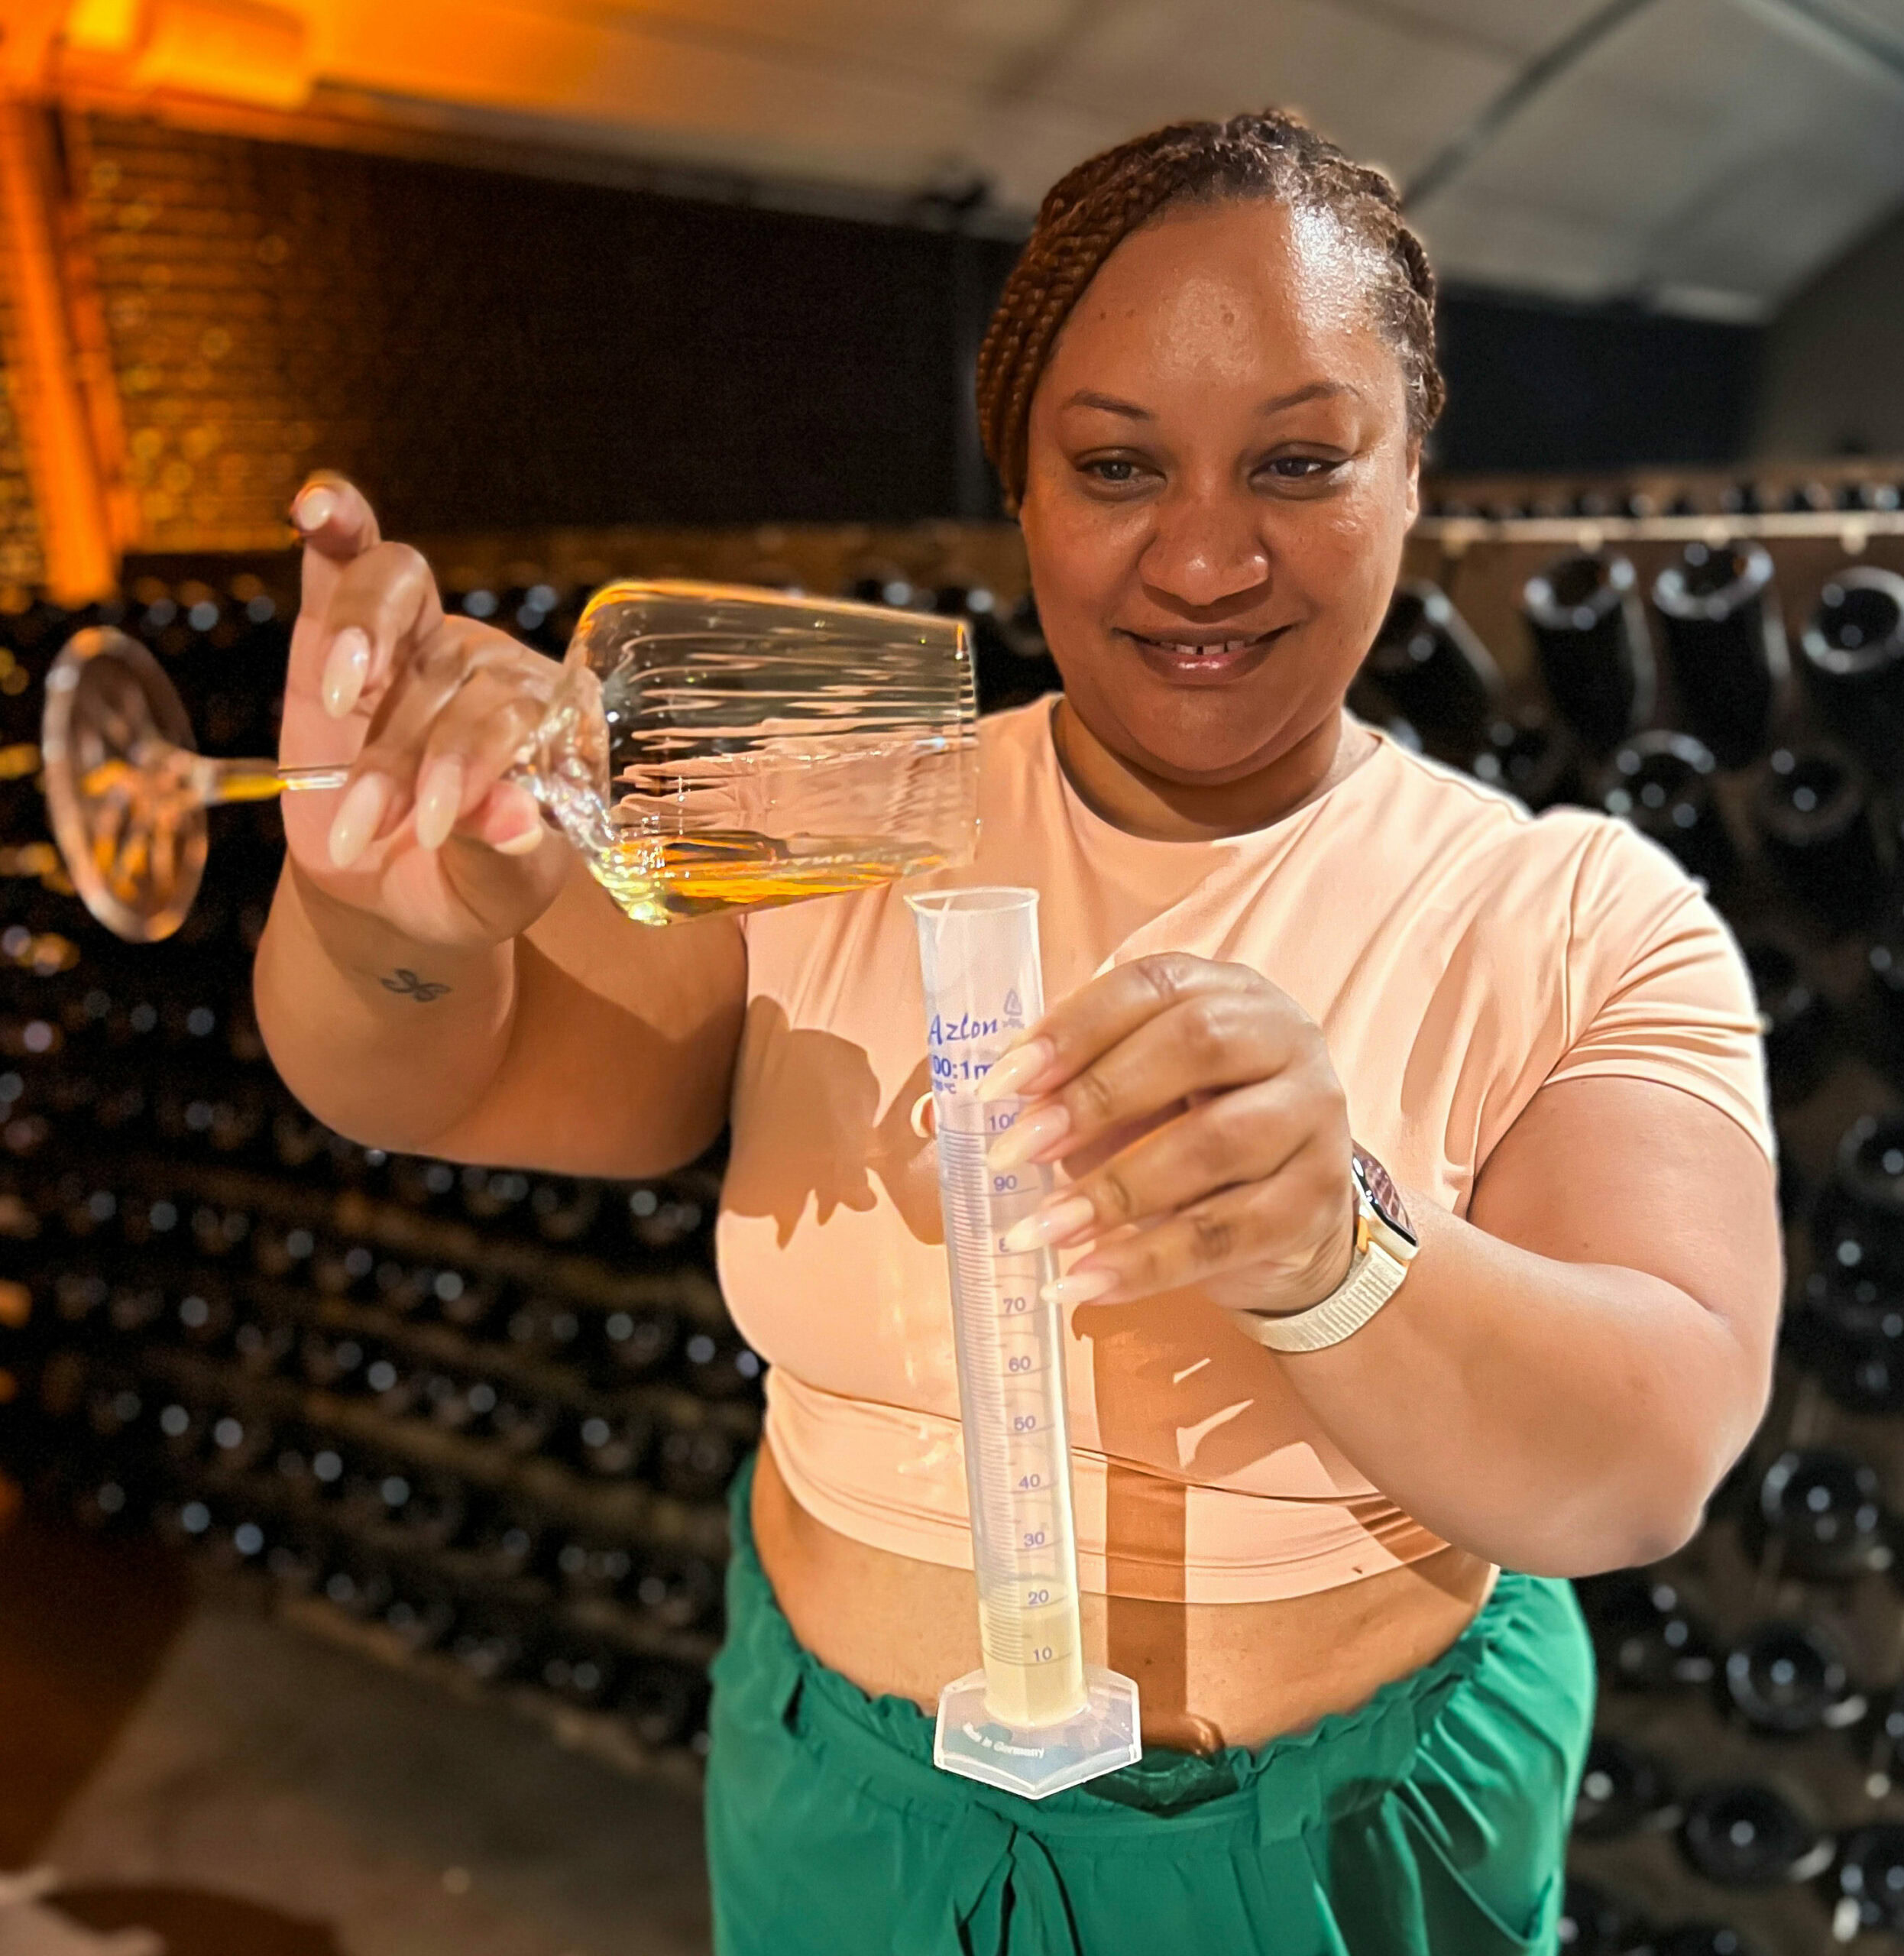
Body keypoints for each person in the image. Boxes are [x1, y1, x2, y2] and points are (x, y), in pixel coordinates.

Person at [255, 109, 1779, 1956]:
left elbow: (1645, 1453)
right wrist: (386, 920)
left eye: (1297, 461)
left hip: (1331, 1851)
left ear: (1407, 475)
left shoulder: (1572, 909)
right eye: (1116, 465)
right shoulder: (821, 805)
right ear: (1023, 487)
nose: (1202, 559)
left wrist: (1337, 1243)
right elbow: (446, 1070)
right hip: (850, 1830)